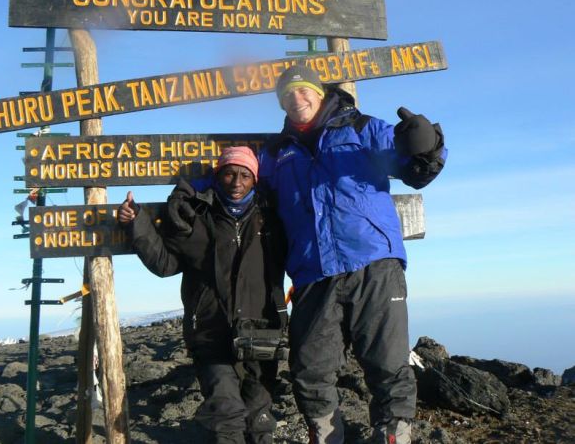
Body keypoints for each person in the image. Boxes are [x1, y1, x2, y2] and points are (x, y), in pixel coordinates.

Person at [169, 65, 447, 444]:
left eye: (303, 91)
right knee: (310, 370)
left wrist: (427, 143)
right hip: (313, 272)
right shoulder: (278, 152)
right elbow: (238, 175)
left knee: (386, 364)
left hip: (374, 264)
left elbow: (415, 169)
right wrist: (191, 190)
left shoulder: (362, 129)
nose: (296, 98)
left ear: (319, 93)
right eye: (287, 94)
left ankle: (393, 436)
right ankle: (326, 436)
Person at [117, 146, 288, 444]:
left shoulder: (272, 220)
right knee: (225, 414)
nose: (236, 182)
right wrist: (137, 224)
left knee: (259, 417)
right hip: (211, 333)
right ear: (217, 177)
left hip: (263, 333)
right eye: (229, 174)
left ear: (255, 180)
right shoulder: (196, 219)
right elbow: (165, 263)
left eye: (245, 175)